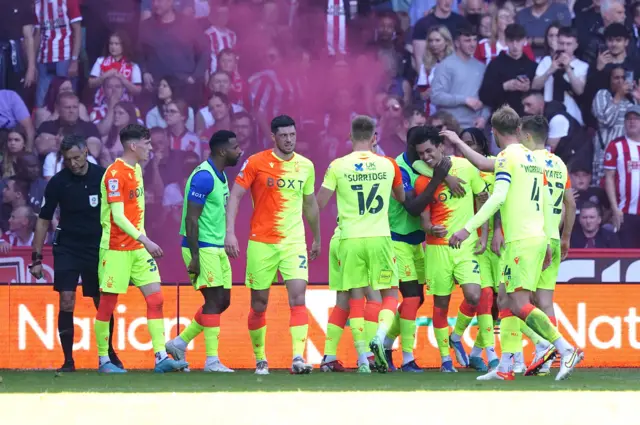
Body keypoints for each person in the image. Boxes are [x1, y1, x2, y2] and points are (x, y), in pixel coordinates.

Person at [448, 105, 583, 381]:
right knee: (504, 298)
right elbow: (548, 200)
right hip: (533, 237)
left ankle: (564, 347)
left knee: (521, 303)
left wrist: (466, 229)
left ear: (494, 132)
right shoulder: (534, 158)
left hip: (522, 240)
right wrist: (549, 237)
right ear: (518, 130)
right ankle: (506, 367)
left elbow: (497, 198)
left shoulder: (508, 157)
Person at [225, 115, 320, 375]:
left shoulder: (306, 166)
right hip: (262, 243)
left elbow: (309, 204)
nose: (289, 140)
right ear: (274, 137)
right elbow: (235, 195)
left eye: (292, 135)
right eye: (284, 135)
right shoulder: (256, 162)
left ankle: (298, 358)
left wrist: (317, 238)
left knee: (298, 298)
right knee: (259, 304)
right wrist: (230, 232)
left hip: (294, 242)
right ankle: (260, 359)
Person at [93, 124, 187, 374]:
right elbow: (118, 217)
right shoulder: (115, 173)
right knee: (107, 305)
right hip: (115, 249)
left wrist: (142, 241)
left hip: (137, 248)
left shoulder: (136, 170)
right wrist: (147, 240)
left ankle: (160, 358)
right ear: (133, 145)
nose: (150, 147)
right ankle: (103, 361)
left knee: (156, 299)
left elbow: (136, 215)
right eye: (146, 143)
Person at [316, 115, 405, 373]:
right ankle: (378, 337)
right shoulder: (388, 164)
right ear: (374, 137)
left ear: (350, 137)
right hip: (379, 238)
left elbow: (319, 203)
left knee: (352, 297)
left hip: (349, 239)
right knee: (390, 293)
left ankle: (363, 359)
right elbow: (400, 197)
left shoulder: (338, 166)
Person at [29, 134, 121, 372]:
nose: (73, 163)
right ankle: (68, 361)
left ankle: (109, 354)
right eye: (68, 159)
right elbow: (43, 220)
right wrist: (36, 258)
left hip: (97, 247)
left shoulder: (103, 176)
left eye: (77, 158)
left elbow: (119, 213)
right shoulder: (58, 182)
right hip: (68, 246)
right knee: (67, 300)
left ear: (86, 153)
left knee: (102, 301)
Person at [411, 126, 488, 373]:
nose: (425, 156)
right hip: (437, 250)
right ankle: (445, 359)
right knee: (441, 305)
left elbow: (483, 202)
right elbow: (424, 222)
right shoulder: (423, 181)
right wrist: (431, 229)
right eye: (421, 153)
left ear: (442, 146)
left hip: (465, 247)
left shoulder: (467, 167)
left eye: (429, 150)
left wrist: (484, 235)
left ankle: (456, 336)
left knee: (475, 296)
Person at [165, 130, 242, 373]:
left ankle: (179, 342)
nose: (239, 151)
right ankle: (211, 361)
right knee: (213, 300)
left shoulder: (218, 176)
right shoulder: (204, 178)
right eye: (235, 147)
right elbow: (191, 219)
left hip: (216, 247)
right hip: (203, 249)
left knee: (223, 301)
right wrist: (196, 256)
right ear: (222, 151)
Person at [382, 126, 454, 372]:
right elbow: (412, 207)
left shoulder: (424, 167)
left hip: (417, 242)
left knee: (418, 298)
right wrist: (439, 178)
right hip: (397, 239)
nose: (426, 156)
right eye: (421, 150)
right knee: (411, 298)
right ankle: (408, 359)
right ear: (413, 149)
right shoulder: (399, 168)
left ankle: (384, 344)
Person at [518, 115, 576, 376]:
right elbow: (570, 204)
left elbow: (534, 202)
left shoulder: (530, 163)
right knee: (544, 300)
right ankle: (547, 355)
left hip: (534, 237)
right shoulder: (559, 164)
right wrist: (565, 237)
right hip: (553, 236)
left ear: (527, 135)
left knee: (510, 298)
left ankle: (549, 347)